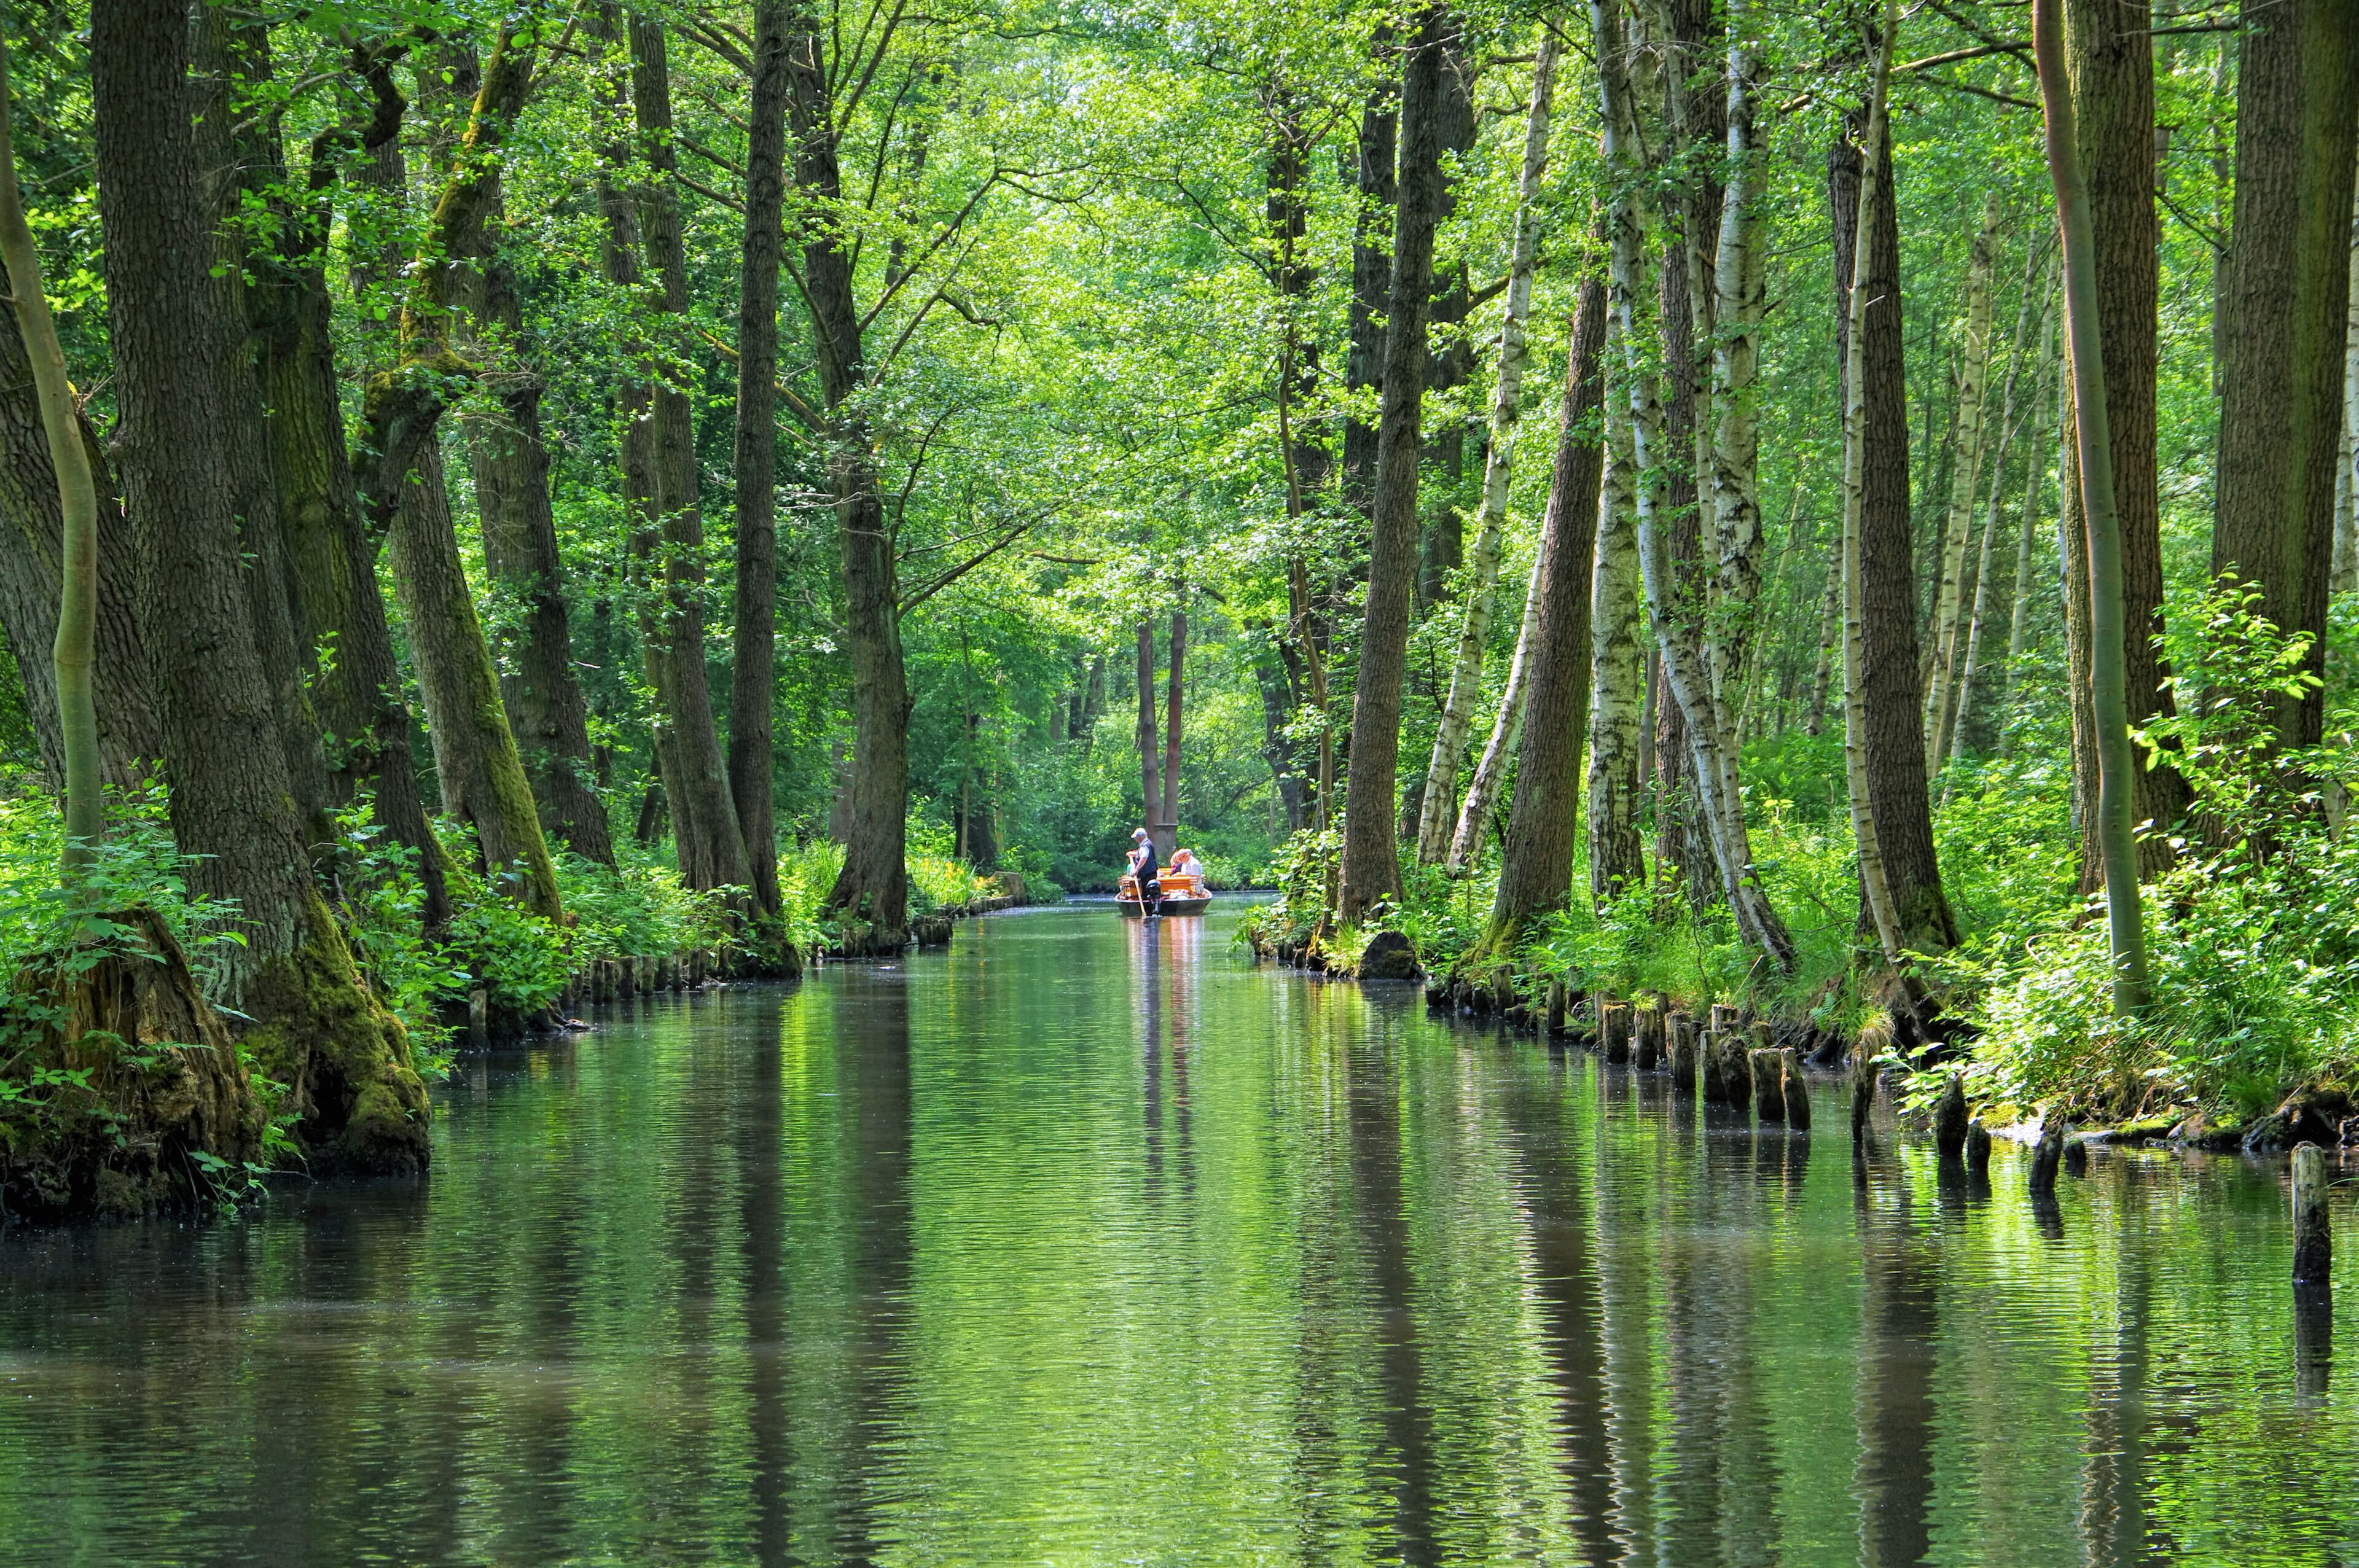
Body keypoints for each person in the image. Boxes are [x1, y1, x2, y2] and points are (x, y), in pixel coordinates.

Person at [1128, 827, 1161, 916]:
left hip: (1147, 873)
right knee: (1150, 892)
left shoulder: (1145, 846)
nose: (1135, 839)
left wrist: (1136, 870)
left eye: (1136, 837)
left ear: (1140, 837)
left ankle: (1149, 911)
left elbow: (1144, 857)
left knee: (1147, 892)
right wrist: (1134, 854)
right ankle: (1151, 909)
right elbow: (1143, 854)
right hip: (1151, 872)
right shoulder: (1148, 844)